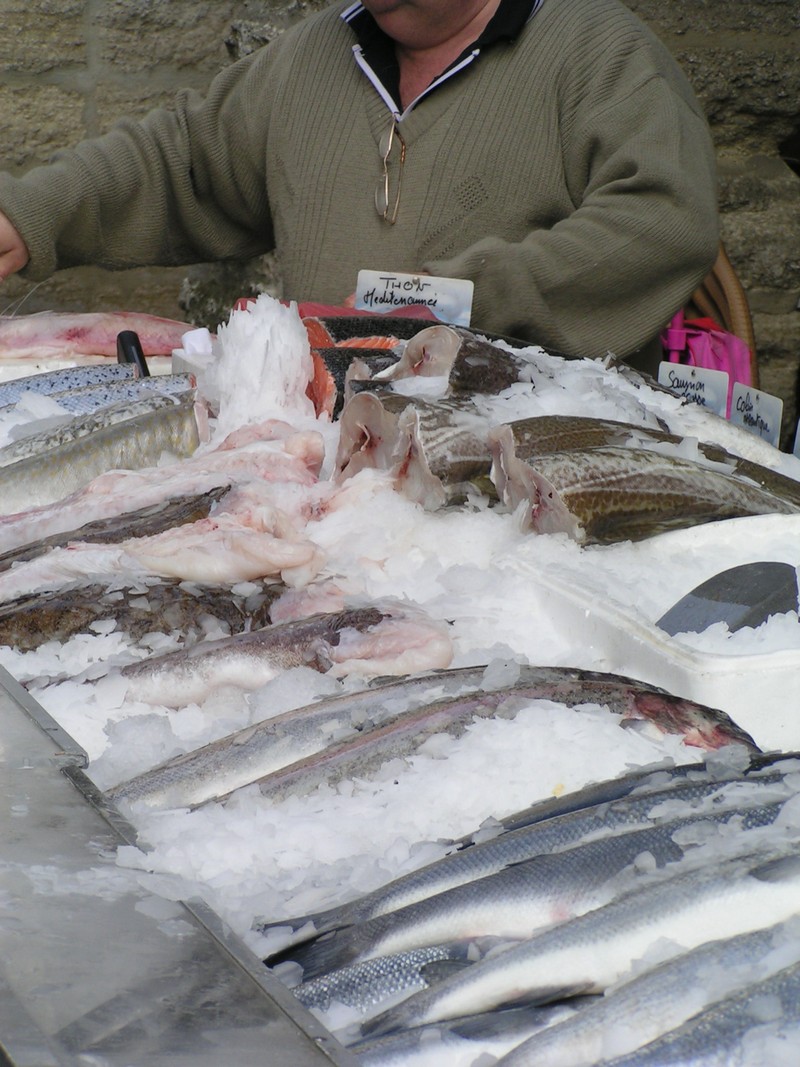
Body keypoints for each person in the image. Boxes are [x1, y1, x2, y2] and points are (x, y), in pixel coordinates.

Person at [0, 0, 719, 372]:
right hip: (328, 462)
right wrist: (28, 214)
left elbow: (661, 219)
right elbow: (182, 159)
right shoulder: (313, 54)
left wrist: (452, 303)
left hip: (526, 473)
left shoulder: (600, 49)